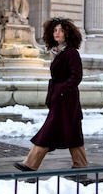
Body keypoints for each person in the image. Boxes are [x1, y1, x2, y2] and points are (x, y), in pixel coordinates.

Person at [14, 18, 88, 172]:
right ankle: (80, 164)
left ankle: (30, 163)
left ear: (68, 33)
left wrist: (63, 91)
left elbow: (76, 76)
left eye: (61, 30)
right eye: (55, 30)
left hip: (66, 99)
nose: (57, 33)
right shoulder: (58, 52)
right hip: (60, 98)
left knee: (49, 130)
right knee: (72, 130)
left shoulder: (71, 52)